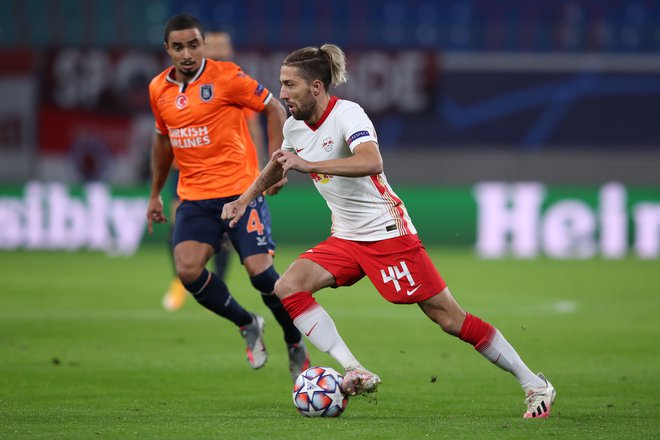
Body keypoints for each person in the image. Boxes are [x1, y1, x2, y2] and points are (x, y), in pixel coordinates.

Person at [222, 44, 557, 418]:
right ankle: (354, 368)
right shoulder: (293, 126)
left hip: (387, 233)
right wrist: (245, 198)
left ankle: (535, 384)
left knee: (449, 318)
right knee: (288, 286)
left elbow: (371, 160)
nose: (282, 93)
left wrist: (308, 163)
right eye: (281, 85)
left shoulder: (348, 114)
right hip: (346, 237)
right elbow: (279, 162)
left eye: (290, 85)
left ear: (316, 87)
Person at [146, 13, 310, 380]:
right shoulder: (158, 89)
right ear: (167, 50)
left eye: (193, 45)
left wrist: (274, 165)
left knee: (261, 275)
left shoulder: (227, 77)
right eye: (178, 47)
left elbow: (273, 106)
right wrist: (156, 193)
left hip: (241, 192)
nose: (187, 53)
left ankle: (294, 340)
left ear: (202, 44)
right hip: (194, 196)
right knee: (187, 271)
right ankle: (247, 322)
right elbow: (162, 140)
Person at [162, 29, 265, 312]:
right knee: (177, 225)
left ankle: (218, 283)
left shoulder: (234, 81)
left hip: (229, 171)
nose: (219, 51)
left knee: (226, 229)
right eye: (215, 46)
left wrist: (262, 169)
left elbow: (254, 125)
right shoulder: (183, 81)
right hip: (187, 169)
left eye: (223, 46)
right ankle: (179, 280)